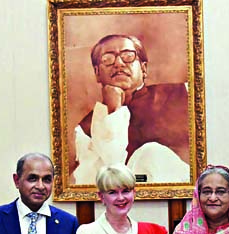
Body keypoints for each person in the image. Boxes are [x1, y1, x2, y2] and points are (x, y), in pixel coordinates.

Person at [72, 34, 190, 184]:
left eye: (128, 56)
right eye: (108, 59)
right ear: (97, 73)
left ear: (143, 68)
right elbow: (98, 180)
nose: (119, 63)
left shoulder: (184, 93)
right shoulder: (86, 129)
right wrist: (112, 111)